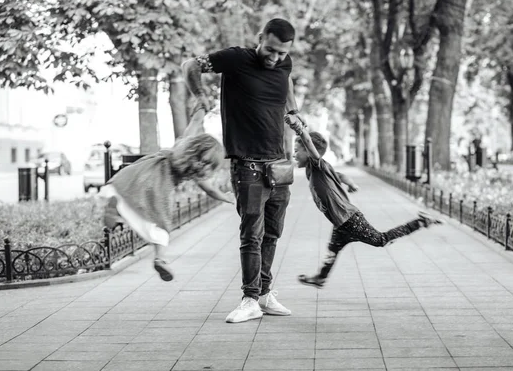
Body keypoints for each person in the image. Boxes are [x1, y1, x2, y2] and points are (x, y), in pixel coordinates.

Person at [181, 18, 305, 323]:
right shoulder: (237, 58)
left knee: (273, 233)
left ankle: (264, 293)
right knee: (252, 233)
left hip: (279, 163)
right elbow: (189, 65)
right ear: (260, 37)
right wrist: (200, 96)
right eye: (271, 50)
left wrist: (292, 111)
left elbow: (285, 83)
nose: (275, 58)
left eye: (281, 53)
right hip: (247, 164)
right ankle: (249, 299)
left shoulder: (285, 63)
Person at [284, 114, 443, 288]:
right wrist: (350, 183)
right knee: (333, 249)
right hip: (340, 222)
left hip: (350, 220)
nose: (294, 154)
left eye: (297, 150)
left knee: (381, 240)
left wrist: (299, 127)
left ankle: (421, 222)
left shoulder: (317, 165)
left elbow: (307, 140)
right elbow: (340, 175)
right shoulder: (315, 169)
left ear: (309, 151)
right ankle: (321, 278)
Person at [100, 102, 234, 282]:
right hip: (158, 188)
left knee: (125, 195)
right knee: (161, 226)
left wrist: (201, 108)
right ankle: (160, 258)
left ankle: (115, 211)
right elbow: (211, 189)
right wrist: (227, 197)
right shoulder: (196, 173)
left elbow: (194, 122)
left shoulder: (183, 144)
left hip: (141, 172)